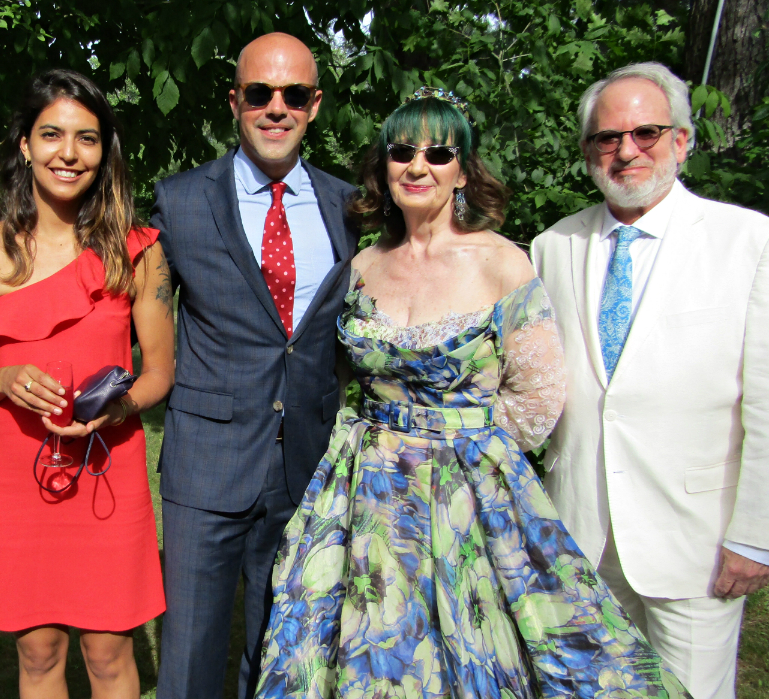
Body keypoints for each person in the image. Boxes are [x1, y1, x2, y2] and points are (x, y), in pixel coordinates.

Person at [255, 88, 691, 697]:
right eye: (402, 150)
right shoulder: (361, 266)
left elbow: (537, 398)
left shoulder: (503, 264)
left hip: (470, 493)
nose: (418, 166)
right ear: (384, 165)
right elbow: (344, 378)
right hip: (367, 492)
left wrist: (464, 458)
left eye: (438, 152)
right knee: (366, 645)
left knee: (469, 646)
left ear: (462, 169)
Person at [531, 62, 769, 699]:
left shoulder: (752, 244)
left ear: (681, 139)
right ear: (588, 150)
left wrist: (760, 536)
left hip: (694, 543)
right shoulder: (552, 247)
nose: (625, 151)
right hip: (579, 534)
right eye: (606, 138)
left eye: (645, 132)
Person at [150, 33, 358, 699]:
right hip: (207, 464)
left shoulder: (349, 207)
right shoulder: (179, 201)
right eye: (261, 93)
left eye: (294, 94)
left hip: (306, 462)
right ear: (234, 100)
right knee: (189, 660)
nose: (277, 108)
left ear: (315, 104)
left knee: (284, 653)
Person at [0, 68, 172, 699]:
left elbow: (160, 371)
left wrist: (119, 407)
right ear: (24, 144)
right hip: (16, 474)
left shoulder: (136, 249)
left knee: (109, 650)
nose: (68, 154)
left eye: (87, 138)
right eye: (51, 135)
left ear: (105, 152)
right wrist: (3, 379)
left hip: (107, 466)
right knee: (39, 650)